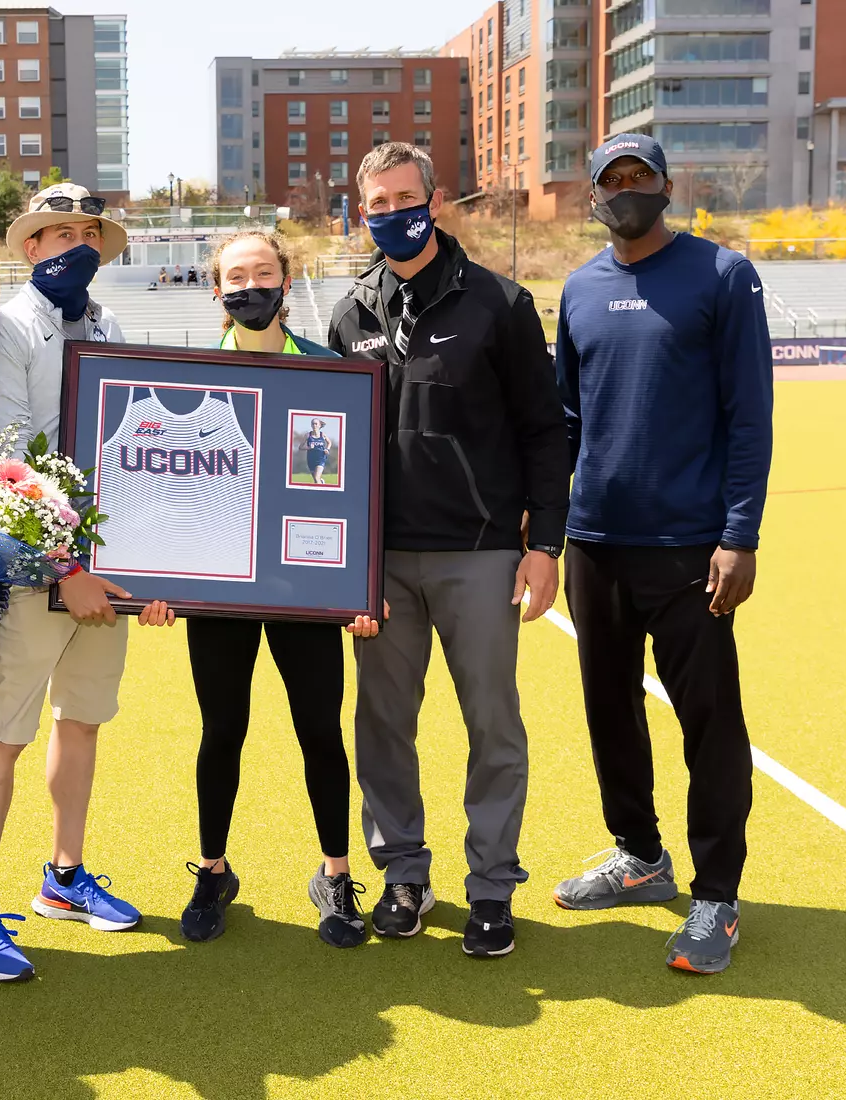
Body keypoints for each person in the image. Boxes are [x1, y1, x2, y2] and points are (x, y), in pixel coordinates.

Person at [328, 142, 568, 959]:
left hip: (481, 553)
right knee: (383, 725)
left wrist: (547, 544)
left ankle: (492, 887)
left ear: (434, 202)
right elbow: (327, 454)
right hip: (382, 564)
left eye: (405, 196)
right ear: (361, 210)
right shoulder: (349, 312)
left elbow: (544, 430)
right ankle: (404, 875)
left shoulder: (500, 302)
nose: (391, 211)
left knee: (492, 724)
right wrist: (340, 567)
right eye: (376, 201)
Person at [552, 134, 773, 976]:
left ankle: (718, 894)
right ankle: (640, 856)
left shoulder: (722, 276)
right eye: (612, 181)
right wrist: (545, 529)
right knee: (610, 710)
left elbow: (749, 416)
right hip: (595, 545)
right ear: (594, 197)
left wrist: (739, 534)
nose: (627, 190)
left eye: (640, 176)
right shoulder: (578, 288)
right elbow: (565, 423)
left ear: (667, 187)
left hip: (691, 551)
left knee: (709, 722)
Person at [0, 183, 155, 982]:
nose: (71, 245)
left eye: (85, 233)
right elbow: (3, 461)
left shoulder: (111, 325)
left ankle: (64, 878)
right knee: (5, 731)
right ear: (29, 247)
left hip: (105, 572)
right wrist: (65, 567)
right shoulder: (6, 330)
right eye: (55, 232)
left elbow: (135, 455)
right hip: (36, 568)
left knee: (83, 722)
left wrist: (147, 571)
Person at [161, 229, 381, 947]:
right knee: (222, 728)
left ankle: (335, 873)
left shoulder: (333, 371)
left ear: (287, 282)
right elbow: (167, 492)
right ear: (215, 289)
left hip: (305, 586)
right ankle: (214, 869)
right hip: (217, 588)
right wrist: (152, 583)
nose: (250, 285)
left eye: (263, 272)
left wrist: (359, 586)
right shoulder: (186, 375)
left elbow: (358, 486)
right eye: (236, 275)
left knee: (319, 728)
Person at [305, 417, 332, 485]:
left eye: (316, 424)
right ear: (311, 425)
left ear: (319, 425)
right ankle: (322, 483)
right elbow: (300, 447)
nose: (314, 425)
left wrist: (327, 449)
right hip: (311, 459)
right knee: (316, 480)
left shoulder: (322, 435)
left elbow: (329, 442)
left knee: (317, 478)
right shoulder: (308, 435)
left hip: (321, 458)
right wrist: (308, 447)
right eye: (313, 424)